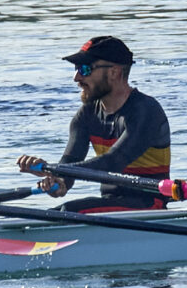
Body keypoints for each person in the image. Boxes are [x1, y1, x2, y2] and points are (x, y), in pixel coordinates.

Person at [16, 35, 171, 212]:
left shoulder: (146, 111)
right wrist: (58, 183)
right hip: (112, 204)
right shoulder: (86, 114)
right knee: (56, 212)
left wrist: (55, 170)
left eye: (85, 69)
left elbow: (113, 161)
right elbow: (71, 161)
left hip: (149, 205)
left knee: (67, 211)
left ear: (113, 72)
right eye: (76, 68)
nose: (76, 77)